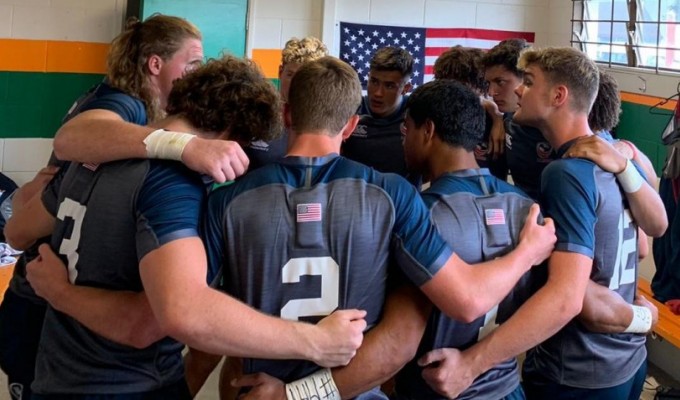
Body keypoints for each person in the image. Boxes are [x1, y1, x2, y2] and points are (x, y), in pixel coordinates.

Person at [5, 55, 366, 399]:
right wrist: (314, 341)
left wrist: (61, 290)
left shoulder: (96, 152)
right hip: (126, 384)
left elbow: (17, 231)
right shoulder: (172, 182)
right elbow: (167, 317)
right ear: (229, 134)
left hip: (55, 373)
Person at [202, 56, 556, 399]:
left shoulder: (225, 201)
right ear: (352, 125)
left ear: (286, 114)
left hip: (255, 388)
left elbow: (196, 317)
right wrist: (527, 252)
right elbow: (423, 327)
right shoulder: (394, 196)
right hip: (358, 390)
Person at [418, 47, 666, 400]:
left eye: (529, 82)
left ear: (558, 95)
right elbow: (650, 236)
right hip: (627, 360)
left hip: (580, 369)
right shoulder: (617, 153)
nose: (519, 89)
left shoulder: (567, 173)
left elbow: (568, 297)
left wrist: (472, 364)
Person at [0, 14, 206, 400]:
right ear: (155, 64)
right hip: (38, 299)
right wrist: (187, 145)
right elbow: (70, 140)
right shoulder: (122, 102)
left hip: (63, 300)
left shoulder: (132, 106)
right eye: (191, 63)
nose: (196, 73)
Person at [245, 36, 328, 170]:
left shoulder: (327, 122)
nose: (296, 85)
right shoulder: (254, 112)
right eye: (290, 75)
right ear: (280, 72)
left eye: (304, 78)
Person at [433, 46, 507, 180]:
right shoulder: (435, 116)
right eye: (448, 84)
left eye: (463, 86)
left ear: (481, 85)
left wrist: (498, 119)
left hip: (491, 196)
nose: (455, 93)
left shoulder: (499, 120)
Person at [341, 47, 414, 180]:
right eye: (374, 82)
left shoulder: (417, 115)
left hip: (400, 199)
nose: (378, 93)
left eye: (389, 86)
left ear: (406, 88)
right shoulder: (350, 110)